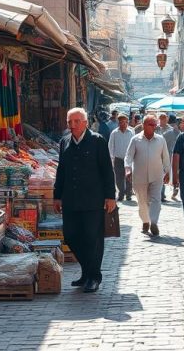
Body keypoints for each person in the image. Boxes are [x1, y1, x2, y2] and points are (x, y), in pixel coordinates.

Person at [52, 108, 116, 293]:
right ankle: (87, 271)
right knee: (71, 236)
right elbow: (61, 170)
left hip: (92, 200)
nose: (72, 125)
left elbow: (107, 171)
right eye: (69, 121)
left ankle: (93, 276)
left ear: (85, 122)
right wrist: (57, 196)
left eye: (76, 121)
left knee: (92, 239)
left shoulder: (97, 141)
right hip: (71, 200)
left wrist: (110, 196)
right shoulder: (64, 142)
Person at [124, 115, 170, 236]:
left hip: (156, 175)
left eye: (155, 125)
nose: (154, 127)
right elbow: (128, 156)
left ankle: (153, 222)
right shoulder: (135, 140)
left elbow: (165, 157)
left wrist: (168, 171)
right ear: (144, 125)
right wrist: (128, 169)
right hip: (139, 176)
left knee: (156, 199)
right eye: (151, 124)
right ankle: (145, 221)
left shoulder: (160, 140)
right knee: (142, 201)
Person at [108, 114, 134, 201]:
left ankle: (129, 194)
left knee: (129, 176)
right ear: (118, 123)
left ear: (127, 122)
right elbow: (111, 146)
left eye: (124, 122)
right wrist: (111, 158)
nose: (123, 124)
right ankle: (121, 193)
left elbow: (134, 146)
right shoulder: (114, 133)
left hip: (129, 159)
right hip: (118, 159)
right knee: (119, 177)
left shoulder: (131, 132)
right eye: (121, 122)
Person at [169, 117, 184, 200]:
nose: (182, 125)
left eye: (183, 123)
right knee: (176, 173)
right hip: (176, 157)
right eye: (181, 123)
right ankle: (175, 188)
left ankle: (179, 189)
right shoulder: (176, 133)